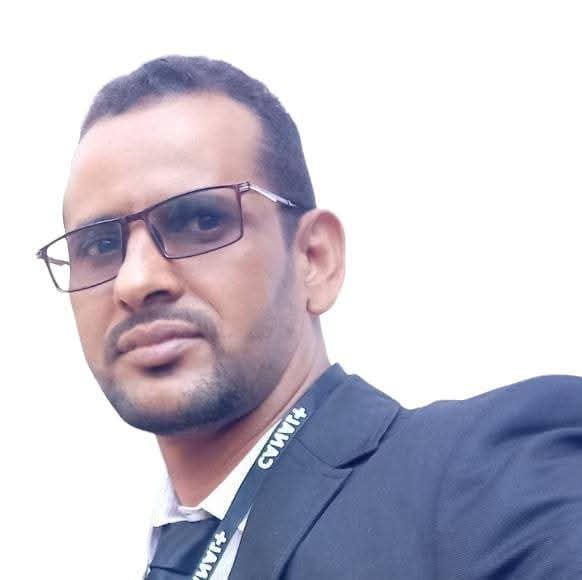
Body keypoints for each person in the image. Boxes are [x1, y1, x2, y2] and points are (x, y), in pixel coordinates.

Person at [36, 55, 582, 579]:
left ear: (315, 260)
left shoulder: (483, 477)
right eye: (100, 244)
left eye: (200, 220)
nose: (135, 281)